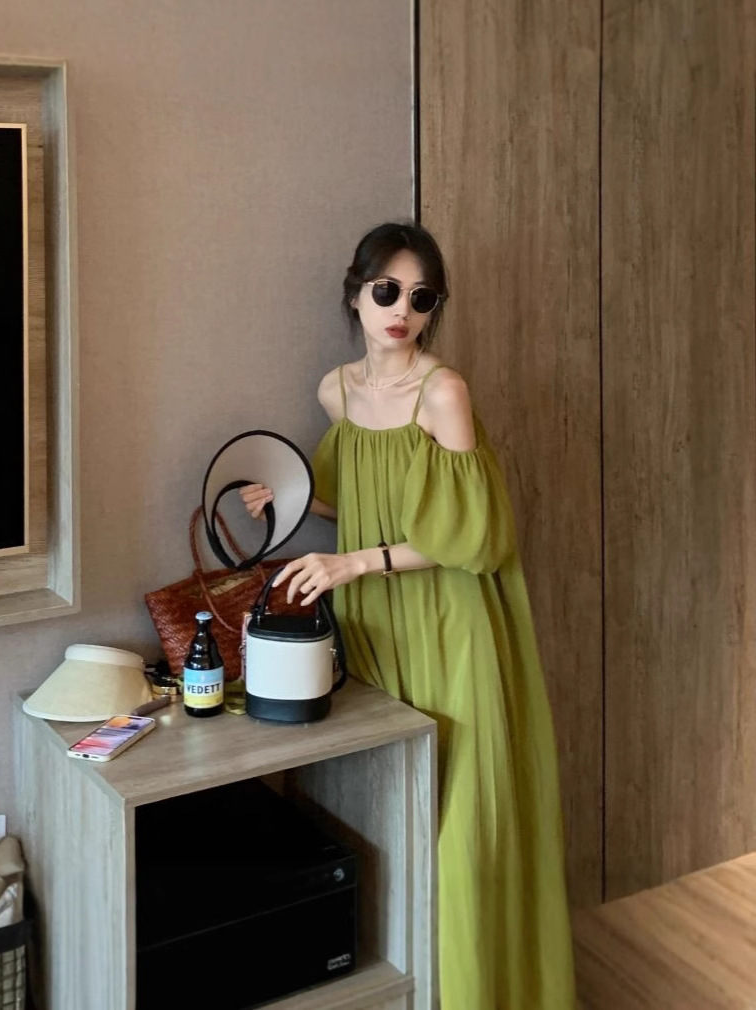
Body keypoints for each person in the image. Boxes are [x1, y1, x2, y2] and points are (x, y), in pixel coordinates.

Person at [239, 221, 576, 1009]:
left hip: (451, 618)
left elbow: (474, 537)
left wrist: (352, 564)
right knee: (389, 807)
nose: (401, 311)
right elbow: (358, 501)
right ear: (354, 293)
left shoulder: (443, 392)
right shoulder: (335, 391)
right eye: (386, 290)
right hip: (377, 626)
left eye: (421, 298)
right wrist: (287, 500)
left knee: (461, 821)